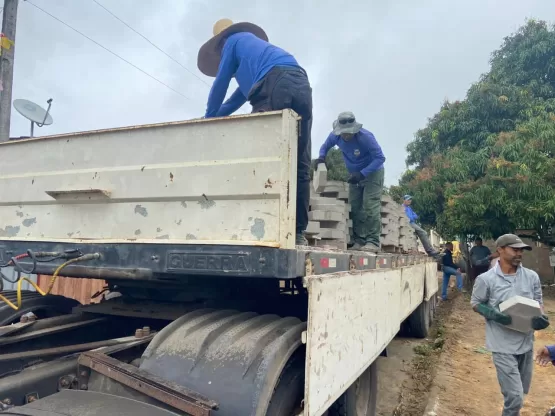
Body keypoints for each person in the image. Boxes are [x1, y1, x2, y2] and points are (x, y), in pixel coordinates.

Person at [198, 19, 313, 246]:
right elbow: (232, 102)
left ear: (220, 45)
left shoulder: (231, 41)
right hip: (300, 82)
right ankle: (297, 233)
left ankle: (266, 229)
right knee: (299, 161)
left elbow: (220, 84)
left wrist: (208, 119)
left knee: (266, 160)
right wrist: (216, 115)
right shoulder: (256, 59)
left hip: (275, 84)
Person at [471, 234, 550, 416]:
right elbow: (475, 302)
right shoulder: (486, 279)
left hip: (525, 342)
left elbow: (538, 302)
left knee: (521, 392)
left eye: (521, 250)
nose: (519, 253)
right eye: (515, 249)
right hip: (502, 344)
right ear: (500, 250)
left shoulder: (531, 277)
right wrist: (493, 314)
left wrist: (542, 316)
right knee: (514, 397)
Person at [313, 112, 386, 252]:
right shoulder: (335, 136)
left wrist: (362, 173)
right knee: (355, 207)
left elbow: (380, 158)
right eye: (343, 133)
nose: (346, 135)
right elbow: (324, 147)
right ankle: (359, 240)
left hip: (372, 174)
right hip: (354, 175)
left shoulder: (366, 137)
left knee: (370, 206)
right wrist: (321, 158)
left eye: (349, 133)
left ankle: (373, 242)